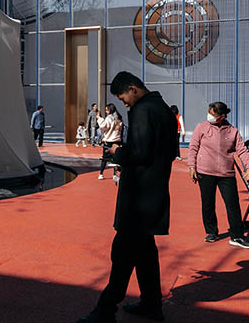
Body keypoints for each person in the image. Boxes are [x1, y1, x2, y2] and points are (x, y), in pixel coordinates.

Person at [77, 72, 176, 323]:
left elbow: (140, 151)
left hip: (138, 197)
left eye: (124, 98)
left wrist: (117, 152)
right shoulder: (163, 109)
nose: (125, 103)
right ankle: (151, 303)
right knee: (145, 253)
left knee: (122, 253)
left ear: (133, 89)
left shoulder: (144, 110)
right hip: (154, 192)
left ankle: (106, 309)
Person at [187, 101, 249, 250]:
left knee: (233, 205)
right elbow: (193, 147)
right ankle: (211, 232)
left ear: (222, 116)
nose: (209, 116)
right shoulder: (201, 127)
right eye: (209, 112)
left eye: (213, 114)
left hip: (226, 173)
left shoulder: (232, 131)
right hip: (205, 172)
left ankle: (236, 236)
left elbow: (242, 151)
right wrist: (192, 167)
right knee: (208, 204)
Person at [97, 105, 122, 180]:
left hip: (109, 140)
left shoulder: (109, 117)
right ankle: (115, 174)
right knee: (115, 158)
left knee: (105, 158)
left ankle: (101, 174)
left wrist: (99, 118)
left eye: (107, 110)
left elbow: (104, 126)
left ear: (110, 110)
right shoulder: (118, 118)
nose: (106, 111)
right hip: (117, 140)